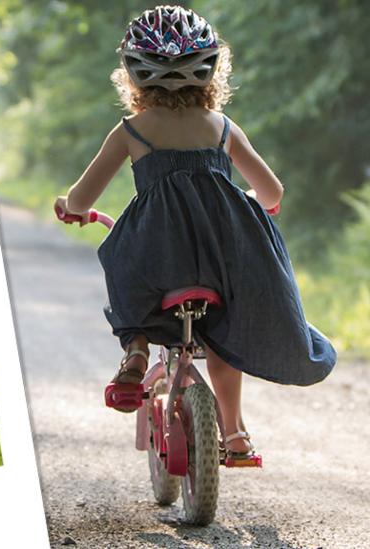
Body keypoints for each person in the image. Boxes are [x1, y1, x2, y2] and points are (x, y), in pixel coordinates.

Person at [55, 6, 335, 460]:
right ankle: (236, 434)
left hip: (157, 257)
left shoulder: (132, 131)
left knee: (123, 266)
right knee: (224, 331)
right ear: (210, 74)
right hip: (225, 261)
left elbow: (83, 197)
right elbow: (271, 191)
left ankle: (137, 349)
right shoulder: (222, 128)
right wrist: (248, 205)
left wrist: (71, 209)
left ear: (133, 77)